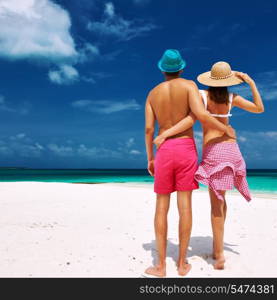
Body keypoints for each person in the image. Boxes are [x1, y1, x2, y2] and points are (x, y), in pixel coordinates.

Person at [154, 61, 264, 270]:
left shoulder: (202, 97)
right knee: (222, 203)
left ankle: (219, 254)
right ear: (229, 81)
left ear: (211, 79)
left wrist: (166, 133)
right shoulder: (233, 99)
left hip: (214, 152)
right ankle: (219, 246)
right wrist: (250, 83)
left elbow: (190, 118)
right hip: (232, 151)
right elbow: (259, 108)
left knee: (216, 205)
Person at [144, 51, 236, 277]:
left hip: (163, 150)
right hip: (185, 149)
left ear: (162, 69)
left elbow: (148, 129)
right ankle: (182, 263)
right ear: (181, 68)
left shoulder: (152, 94)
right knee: (185, 206)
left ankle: (161, 267)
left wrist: (150, 157)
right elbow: (200, 115)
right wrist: (225, 128)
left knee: (161, 207)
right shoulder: (189, 86)